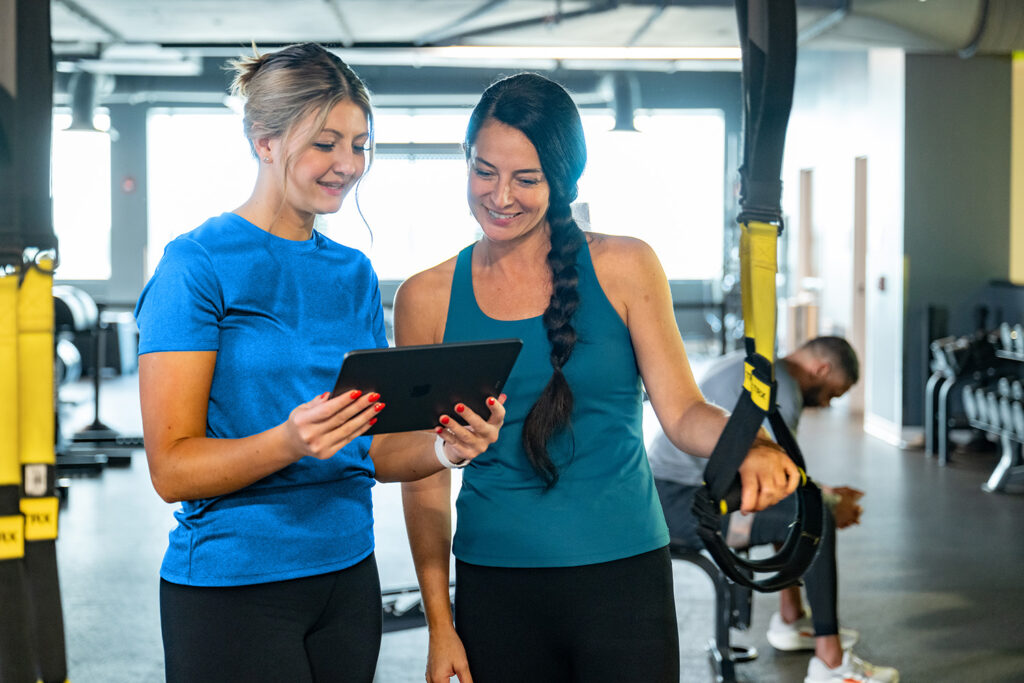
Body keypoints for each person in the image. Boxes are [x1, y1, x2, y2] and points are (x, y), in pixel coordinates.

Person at [394, 72, 801, 683]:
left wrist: (748, 441)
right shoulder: (425, 297)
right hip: (495, 581)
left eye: (527, 178)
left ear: (562, 180)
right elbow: (422, 475)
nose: (500, 196)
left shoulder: (626, 266)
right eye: (484, 171)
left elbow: (683, 412)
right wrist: (440, 622)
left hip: (624, 576)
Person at [133, 43, 505, 683]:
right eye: (325, 144)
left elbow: (371, 449)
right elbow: (172, 469)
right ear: (265, 141)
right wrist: (288, 441)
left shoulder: (352, 272)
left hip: (348, 579)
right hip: (234, 586)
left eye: (359, 145)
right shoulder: (196, 265)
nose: (348, 165)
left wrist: (446, 449)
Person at [648, 336, 900, 683]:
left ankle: (791, 618)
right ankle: (830, 663)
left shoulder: (754, 364)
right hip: (682, 505)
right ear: (821, 369)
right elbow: (776, 480)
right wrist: (830, 503)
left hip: (669, 492)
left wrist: (824, 493)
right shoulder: (782, 390)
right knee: (816, 515)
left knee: (798, 508)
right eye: (833, 393)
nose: (826, 402)